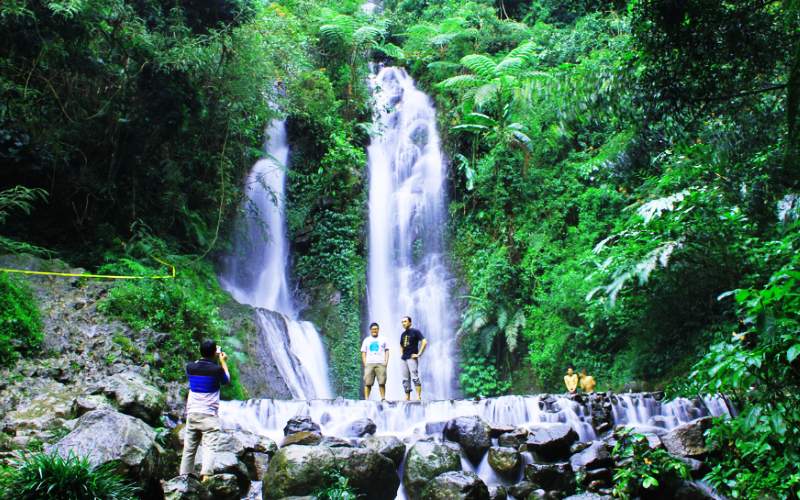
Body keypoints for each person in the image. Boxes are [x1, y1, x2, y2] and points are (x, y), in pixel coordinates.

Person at [180, 339, 230, 480]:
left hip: (192, 413)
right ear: (215, 352)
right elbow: (226, 380)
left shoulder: (190, 367)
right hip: (209, 415)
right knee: (209, 446)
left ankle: (183, 477)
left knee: (189, 448)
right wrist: (223, 361)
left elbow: (199, 364)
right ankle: (206, 476)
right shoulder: (216, 370)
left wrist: (211, 355)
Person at [399, 316, 427, 401]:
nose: (404, 323)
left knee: (415, 377)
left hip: (412, 357)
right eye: (402, 322)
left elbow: (424, 341)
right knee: (405, 379)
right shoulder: (403, 334)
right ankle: (407, 397)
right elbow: (401, 344)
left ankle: (418, 396)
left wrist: (419, 354)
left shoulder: (415, 331)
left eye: (405, 321)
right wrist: (402, 354)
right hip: (404, 358)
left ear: (410, 323)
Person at [361, 322, 389, 401]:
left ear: (378, 329)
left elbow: (387, 351)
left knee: (382, 382)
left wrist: (386, 362)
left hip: (381, 363)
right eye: (373, 329)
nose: (374, 330)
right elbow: (363, 352)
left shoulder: (383, 339)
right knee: (367, 383)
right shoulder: (366, 340)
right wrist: (365, 363)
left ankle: (383, 398)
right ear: (370, 330)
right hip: (369, 363)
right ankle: (366, 399)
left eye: (376, 329)